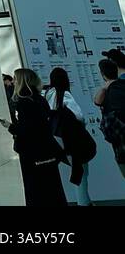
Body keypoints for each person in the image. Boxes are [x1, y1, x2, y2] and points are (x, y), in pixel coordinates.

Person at [4, 68, 66, 206]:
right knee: (53, 188)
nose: (13, 81)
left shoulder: (24, 103)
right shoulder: (40, 99)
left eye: (15, 78)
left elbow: (28, 130)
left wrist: (10, 127)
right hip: (47, 149)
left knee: (36, 190)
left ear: (22, 81)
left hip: (32, 153)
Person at [45, 67, 94, 206]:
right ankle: (83, 202)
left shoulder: (47, 93)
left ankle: (85, 201)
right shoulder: (64, 94)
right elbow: (79, 116)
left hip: (56, 138)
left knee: (75, 171)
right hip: (70, 138)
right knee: (81, 173)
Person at [93, 57, 125, 180]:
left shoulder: (107, 92)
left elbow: (97, 101)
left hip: (121, 143)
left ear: (103, 74)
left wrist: (104, 87)